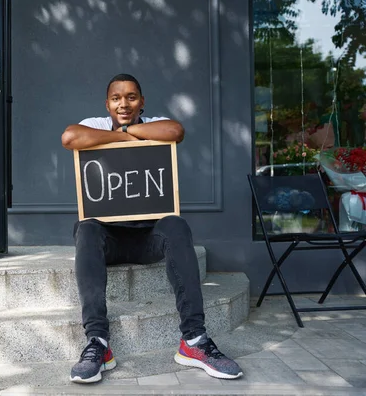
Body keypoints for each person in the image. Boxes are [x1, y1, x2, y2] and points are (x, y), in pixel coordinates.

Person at [61, 73, 243, 383]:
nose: (124, 103)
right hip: (108, 240)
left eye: (131, 97)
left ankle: (194, 340)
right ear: (107, 104)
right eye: (116, 98)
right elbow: (69, 138)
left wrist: (127, 130)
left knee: (176, 225)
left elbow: (175, 130)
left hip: (148, 239)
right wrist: (123, 136)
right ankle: (98, 343)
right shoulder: (96, 122)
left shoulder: (155, 121)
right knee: (86, 227)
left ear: (142, 102)